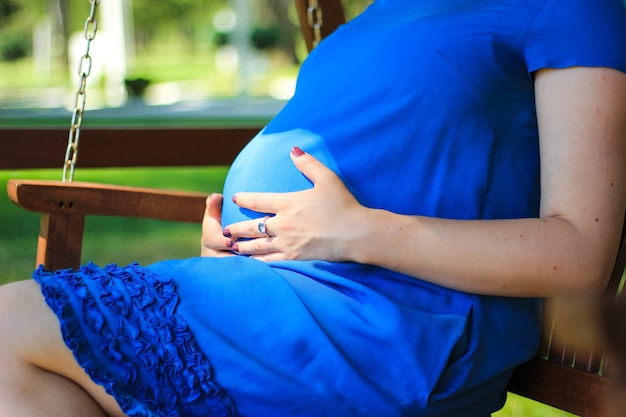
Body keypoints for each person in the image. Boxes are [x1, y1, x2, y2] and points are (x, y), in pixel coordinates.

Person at [1, 0, 626, 415]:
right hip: (281, 286)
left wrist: (358, 233)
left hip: (389, 322)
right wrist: (251, 236)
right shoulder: (382, 13)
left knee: (9, 330)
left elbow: (579, 254)